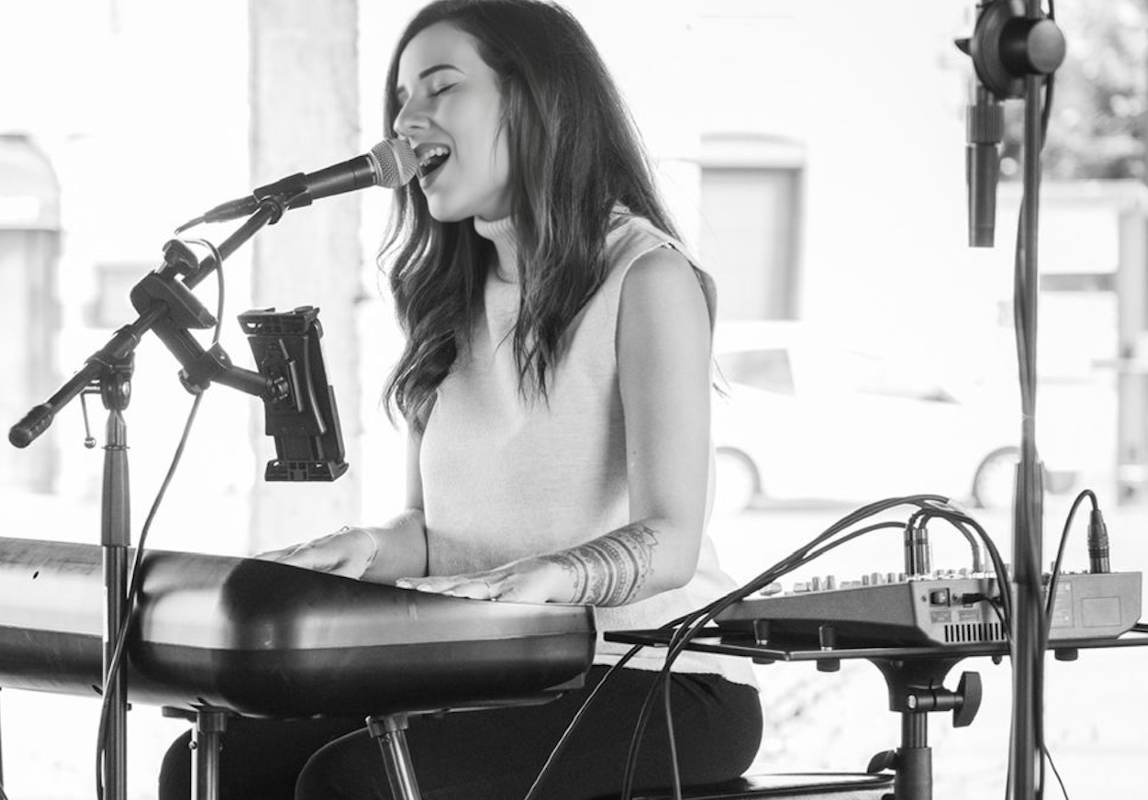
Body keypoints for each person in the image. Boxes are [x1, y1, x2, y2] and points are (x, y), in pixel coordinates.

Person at [156, 1, 762, 798]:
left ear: (536, 100)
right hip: (493, 663)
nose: (406, 120)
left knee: (356, 783)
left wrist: (543, 579)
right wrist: (364, 551)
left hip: (657, 671)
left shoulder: (647, 278)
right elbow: (434, 534)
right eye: (401, 98)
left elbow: (672, 540)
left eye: (439, 88)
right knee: (215, 765)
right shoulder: (448, 295)